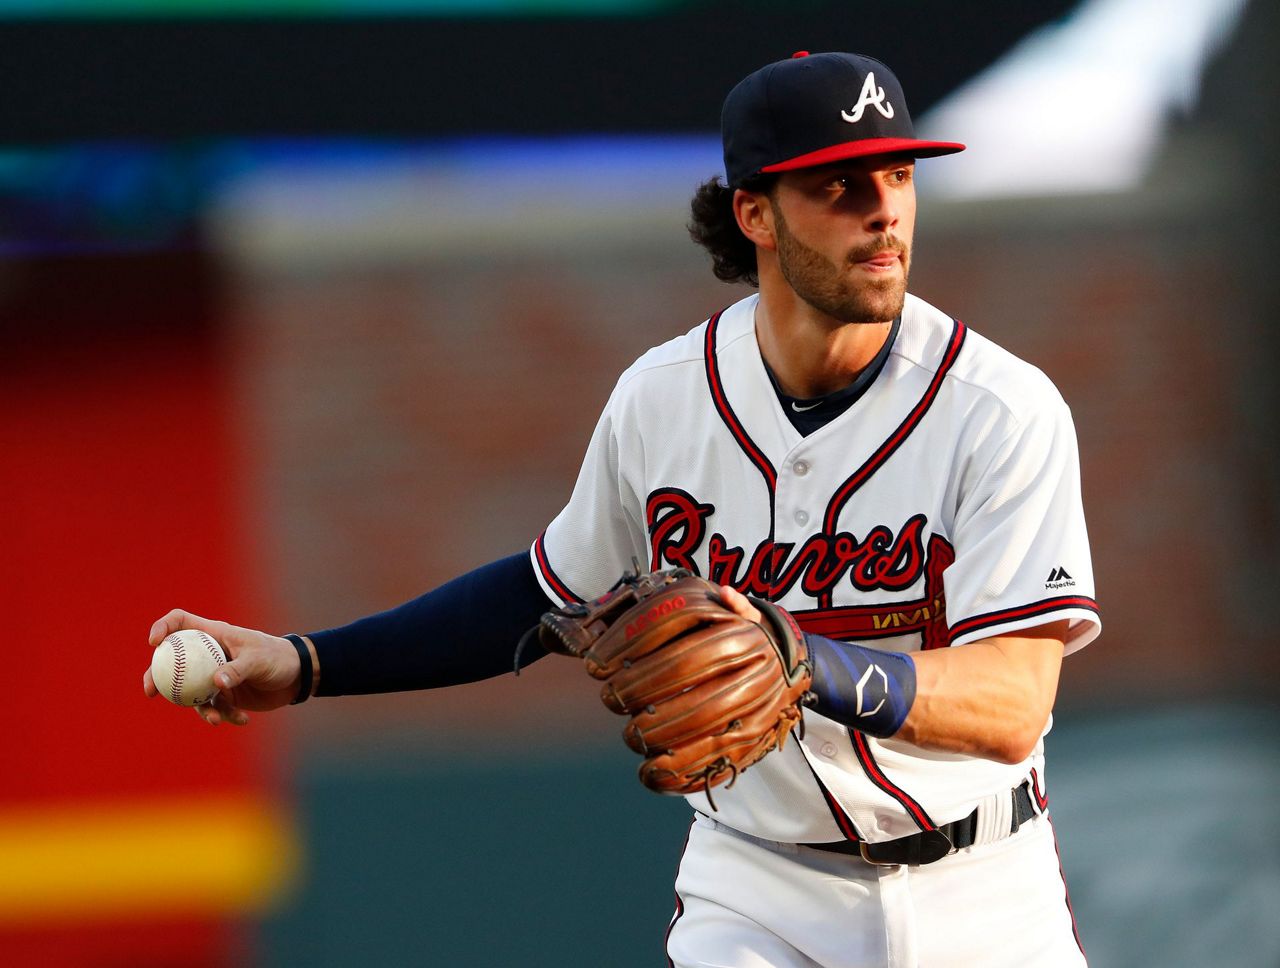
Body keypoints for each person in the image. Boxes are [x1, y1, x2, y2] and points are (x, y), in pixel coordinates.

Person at [145, 51, 1099, 967]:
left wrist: (809, 665)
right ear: (756, 214)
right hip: (763, 890)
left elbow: (1015, 702)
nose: (883, 212)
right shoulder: (664, 399)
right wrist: (309, 663)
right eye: (839, 187)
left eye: (896, 176)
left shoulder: (1000, 409)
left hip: (984, 889)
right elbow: (543, 595)